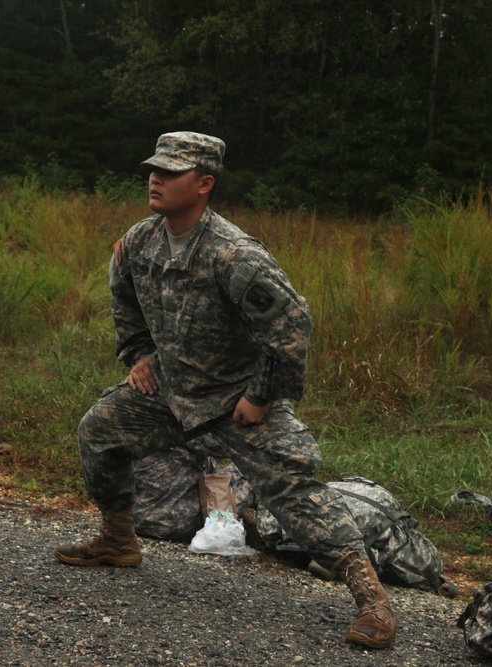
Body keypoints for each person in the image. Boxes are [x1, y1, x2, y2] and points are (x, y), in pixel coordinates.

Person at [53, 132, 397, 649]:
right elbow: (122, 295)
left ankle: (375, 603)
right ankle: (118, 540)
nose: (156, 178)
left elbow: (292, 325)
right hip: (172, 391)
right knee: (100, 431)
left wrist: (260, 395)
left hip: (236, 400)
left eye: (171, 172)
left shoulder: (233, 254)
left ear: (204, 184)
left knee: (294, 490)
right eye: (155, 169)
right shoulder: (140, 241)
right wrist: (140, 356)